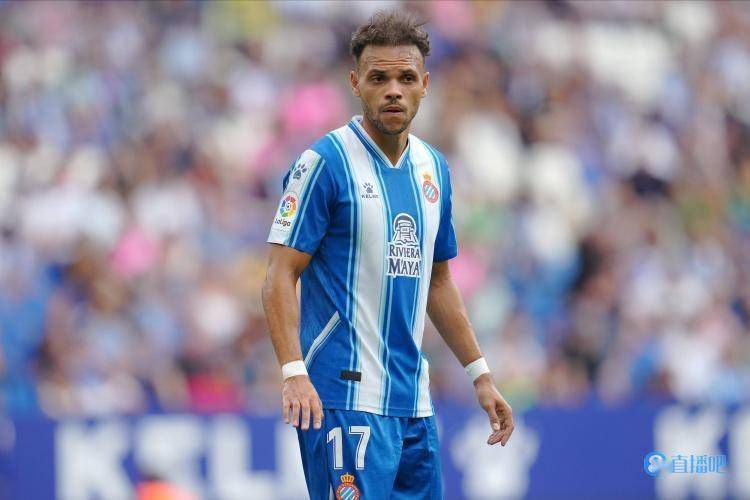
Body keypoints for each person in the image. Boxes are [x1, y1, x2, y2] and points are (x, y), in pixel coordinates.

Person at [262, 10, 514, 499]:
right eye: (379, 78)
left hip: (413, 401)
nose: (393, 90)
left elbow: (437, 281)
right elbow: (279, 273)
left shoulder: (433, 170)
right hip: (342, 396)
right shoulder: (325, 163)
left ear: (425, 84)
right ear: (356, 83)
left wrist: (479, 374)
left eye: (405, 77)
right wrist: (293, 372)